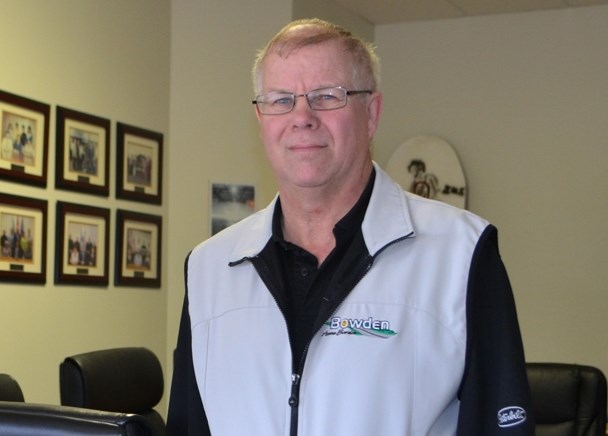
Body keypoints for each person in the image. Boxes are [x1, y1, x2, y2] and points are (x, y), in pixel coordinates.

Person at [167, 18, 534, 435]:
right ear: (260, 119)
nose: (301, 117)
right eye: (281, 99)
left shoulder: (460, 254)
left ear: (372, 113)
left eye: (327, 96)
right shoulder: (208, 268)